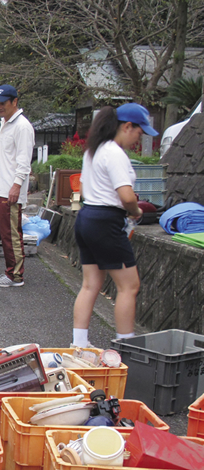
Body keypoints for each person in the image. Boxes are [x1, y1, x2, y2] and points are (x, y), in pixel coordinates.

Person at [71, 103, 157, 348]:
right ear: (127, 126)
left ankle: (79, 345)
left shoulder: (94, 150)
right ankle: (126, 346)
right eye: (139, 133)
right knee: (129, 286)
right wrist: (137, 212)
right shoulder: (115, 153)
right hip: (106, 222)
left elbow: (85, 189)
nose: (138, 139)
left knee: (90, 284)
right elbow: (127, 196)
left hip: (86, 217)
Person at [0, 84, 35, 288]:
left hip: (10, 190)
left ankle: (15, 275)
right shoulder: (5, 123)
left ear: (14, 102)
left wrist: (17, 186)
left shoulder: (22, 126)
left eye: (3, 103)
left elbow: (23, 161)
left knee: (10, 234)